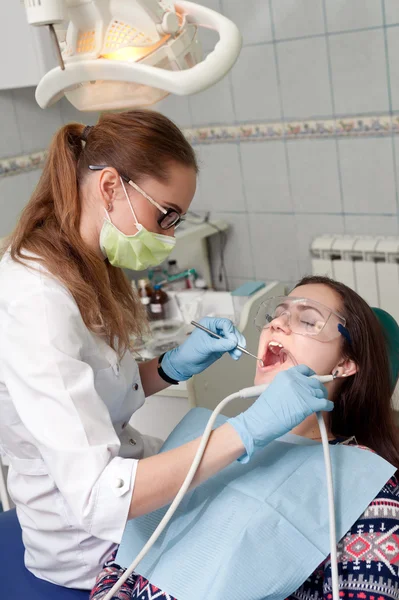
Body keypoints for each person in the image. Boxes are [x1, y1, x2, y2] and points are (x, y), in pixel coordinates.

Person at [0, 110, 328, 591]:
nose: (170, 235)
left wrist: (169, 368)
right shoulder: (35, 300)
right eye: (166, 214)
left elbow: (96, 390)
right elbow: (98, 498)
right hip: (89, 548)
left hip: (138, 502)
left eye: (178, 219)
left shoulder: (84, 259)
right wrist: (247, 430)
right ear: (110, 186)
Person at [90, 275, 399, 600]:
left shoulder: (369, 491)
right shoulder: (205, 440)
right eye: (276, 314)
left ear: (345, 365)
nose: (278, 323)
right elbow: (122, 562)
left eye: (308, 320)